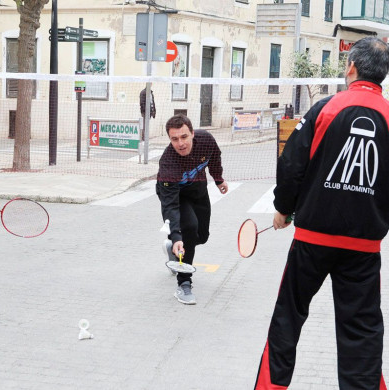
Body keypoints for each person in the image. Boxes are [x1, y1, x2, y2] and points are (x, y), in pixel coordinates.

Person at [254, 36, 389, 390]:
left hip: (312, 242)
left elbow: (292, 165)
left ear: (351, 68)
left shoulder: (324, 109)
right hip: (363, 249)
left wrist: (283, 209)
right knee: (361, 332)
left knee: (288, 318)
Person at [156, 114, 228, 305]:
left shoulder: (205, 140)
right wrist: (177, 234)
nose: (180, 143)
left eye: (184, 137)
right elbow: (170, 206)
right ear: (170, 139)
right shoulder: (167, 163)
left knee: (201, 236)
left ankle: (174, 248)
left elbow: (215, 157)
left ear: (192, 134)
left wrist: (218, 178)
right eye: (174, 139)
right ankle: (184, 283)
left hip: (198, 191)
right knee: (188, 228)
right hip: (176, 197)